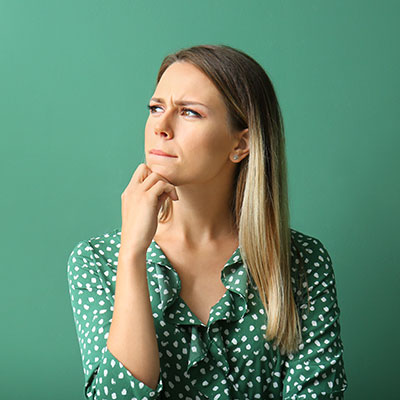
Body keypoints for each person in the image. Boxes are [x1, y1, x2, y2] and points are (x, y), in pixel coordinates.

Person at [67, 44, 348, 399]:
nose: (161, 127)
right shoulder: (98, 261)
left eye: (190, 113)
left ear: (241, 144)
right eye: (156, 108)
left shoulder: (302, 261)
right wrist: (132, 254)